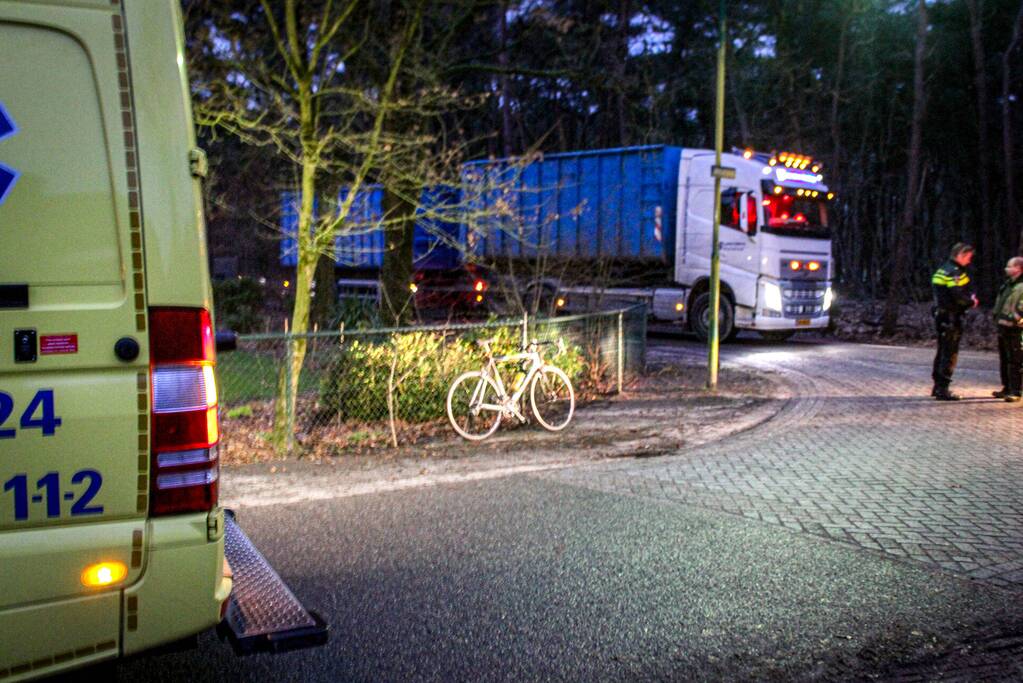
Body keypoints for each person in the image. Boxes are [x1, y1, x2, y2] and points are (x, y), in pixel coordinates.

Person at [931, 242, 979, 400]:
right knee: (950, 353)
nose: (970, 261)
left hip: (941, 315)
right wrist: (971, 302)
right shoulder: (954, 273)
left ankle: (937, 385)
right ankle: (942, 388)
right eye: (968, 257)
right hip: (951, 317)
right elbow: (957, 297)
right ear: (960, 255)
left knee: (942, 350)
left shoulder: (942, 269)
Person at [992, 256, 1023, 402]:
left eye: (1010, 266)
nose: (1007, 269)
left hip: (1015, 328)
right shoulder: (1008, 284)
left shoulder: (1021, 286)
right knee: (1005, 358)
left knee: (1015, 359)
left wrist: (1017, 320)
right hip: (1003, 326)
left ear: (1018, 268)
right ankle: (1007, 387)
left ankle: (1016, 390)